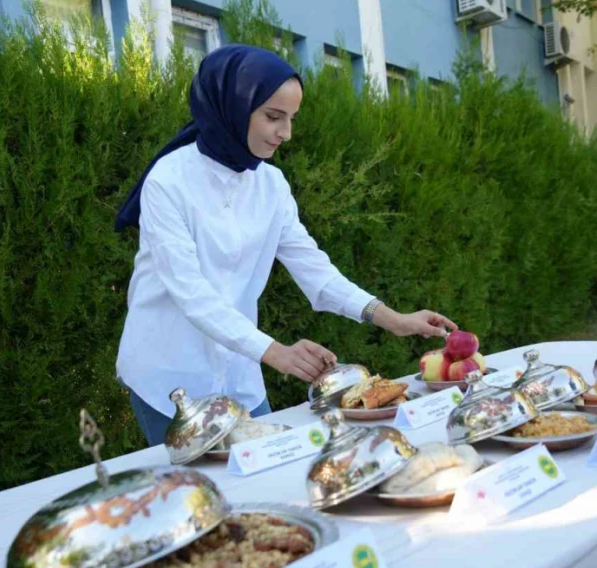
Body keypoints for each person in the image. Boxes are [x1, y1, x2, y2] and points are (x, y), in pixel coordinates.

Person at [113, 45, 457, 446]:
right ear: (232, 107)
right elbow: (191, 292)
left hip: (241, 373)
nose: (286, 133)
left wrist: (392, 318)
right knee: (195, 497)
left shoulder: (271, 184)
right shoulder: (168, 181)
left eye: (291, 118)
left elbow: (315, 269)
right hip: (169, 377)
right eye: (273, 117)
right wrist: (276, 352)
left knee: (261, 479)